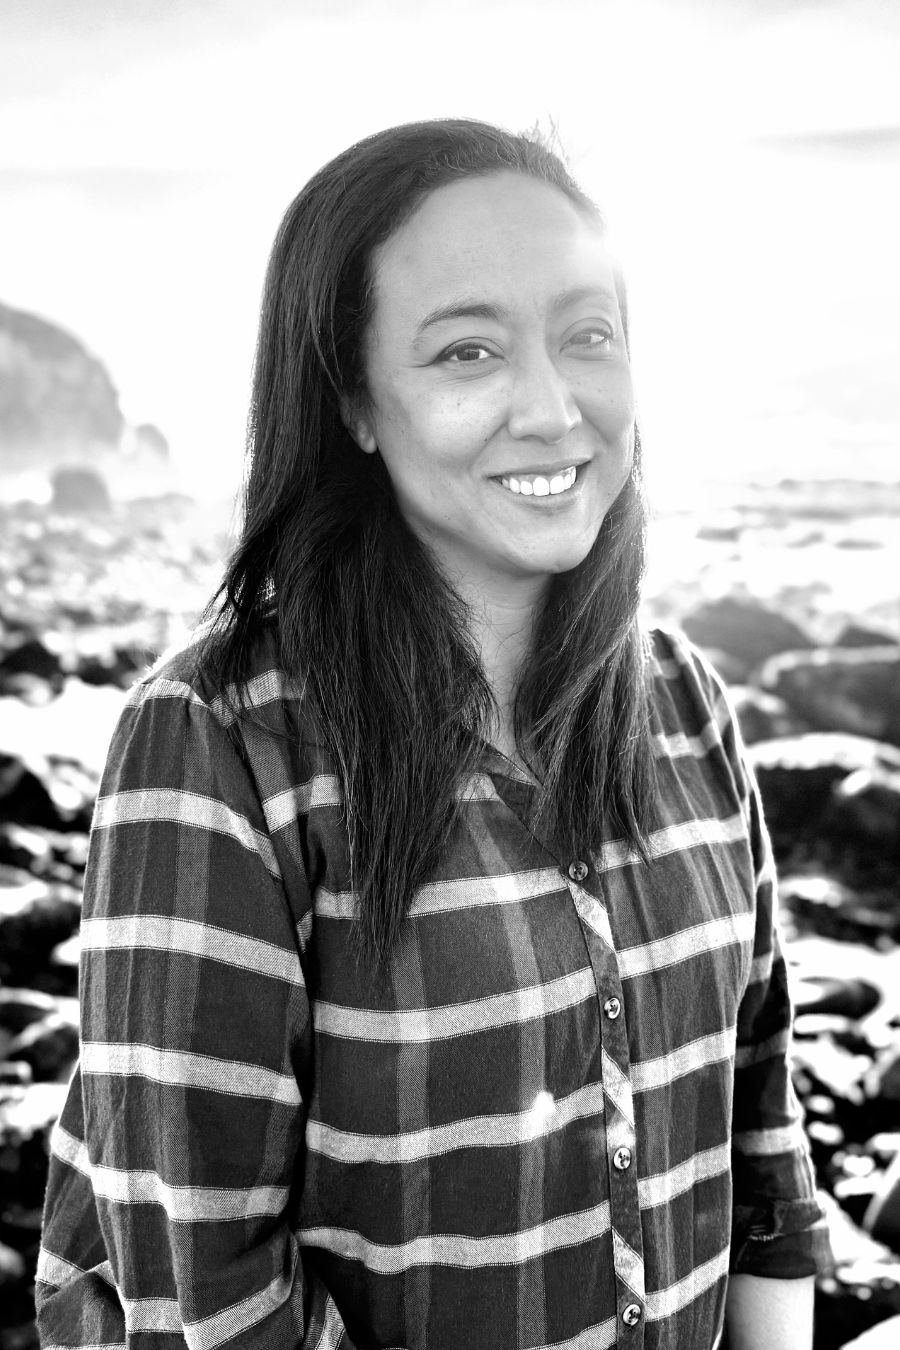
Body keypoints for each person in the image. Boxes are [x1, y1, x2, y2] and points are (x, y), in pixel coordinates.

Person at [36, 119, 830, 1350]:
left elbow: (759, 1139)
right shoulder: (214, 750)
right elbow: (210, 1299)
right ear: (354, 400)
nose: (553, 408)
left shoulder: (684, 705)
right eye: (467, 351)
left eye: (589, 337)